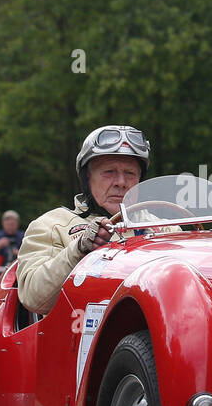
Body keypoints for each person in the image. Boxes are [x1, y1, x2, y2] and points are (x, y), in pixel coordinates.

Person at [16, 125, 150, 315]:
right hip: (73, 336)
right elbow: (33, 298)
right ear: (88, 178)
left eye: (130, 173)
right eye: (109, 172)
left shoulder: (164, 228)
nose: (121, 182)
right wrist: (79, 250)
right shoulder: (52, 225)